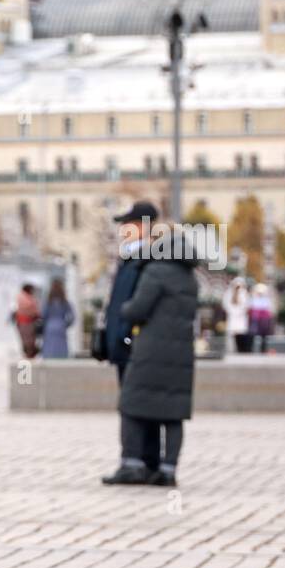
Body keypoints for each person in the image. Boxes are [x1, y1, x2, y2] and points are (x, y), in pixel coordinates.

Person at [101, 215, 198, 488]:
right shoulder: (189, 274)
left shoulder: (155, 270)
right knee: (174, 411)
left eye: (153, 238)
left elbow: (138, 309)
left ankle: (132, 464)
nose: (148, 242)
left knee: (131, 404)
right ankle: (167, 470)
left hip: (151, 349)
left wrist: (123, 310)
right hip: (181, 352)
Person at [102, 201, 161, 474]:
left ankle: (138, 462)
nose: (123, 229)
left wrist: (125, 338)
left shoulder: (148, 260)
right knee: (133, 403)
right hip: (125, 347)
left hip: (137, 347)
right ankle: (141, 462)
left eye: (128, 224)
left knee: (136, 404)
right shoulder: (130, 259)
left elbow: (139, 306)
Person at [40, 278, 75, 359]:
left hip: (49, 326)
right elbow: (72, 317)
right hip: (61, 325)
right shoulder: (64, 302)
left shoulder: (48, 302)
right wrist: (66, 324)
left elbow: (42, 315)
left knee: (49, 347)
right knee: (61, 349)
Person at [222, 276, 251, 354]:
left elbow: (246, 305)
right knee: (231, 334)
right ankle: (231, 350)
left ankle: (241, 350)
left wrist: (240, 311)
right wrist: (232, 311)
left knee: (241, 334)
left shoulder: (244, 293)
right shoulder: (229, 293)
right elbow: (226, 304)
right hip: (232, 316)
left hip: (241, 317)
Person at [13, 283, 40, 358]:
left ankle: (29, 355)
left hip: (25, 322)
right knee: (28, 341)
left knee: (28, 341)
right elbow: (31, 307)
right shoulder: (24, 298)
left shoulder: (25, 297)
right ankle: (29, 355)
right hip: (26, 322)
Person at [249, 282, 275, 352]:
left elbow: (269, 311)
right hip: (256, 320)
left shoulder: (266, 300)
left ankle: (263, 349)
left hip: (264, 320)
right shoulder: (254, 299)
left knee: (264, 336)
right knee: (253, 335)